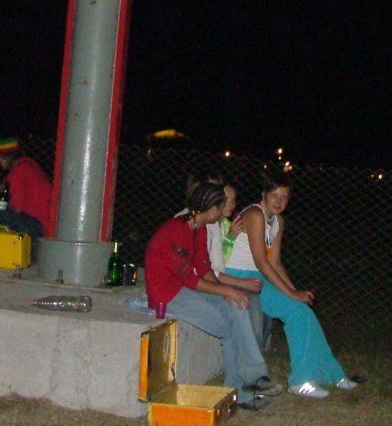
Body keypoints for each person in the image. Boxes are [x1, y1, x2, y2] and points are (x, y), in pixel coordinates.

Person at [145, 182, 282, 410]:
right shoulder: (176, 230)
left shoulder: (200, 229)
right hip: (168, 293)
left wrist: (228, 291)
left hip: (188, 288)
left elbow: (204, 268)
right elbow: (189, 278)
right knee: (228, 325)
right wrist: (225, 290)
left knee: (238, 306)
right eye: (221, 206)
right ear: (211, 208)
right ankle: (240, 391)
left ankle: (254, 378)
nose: (225, 211)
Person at [224, 172, 357, 398]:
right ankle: (300, 382)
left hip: (259, 277)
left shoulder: (278, 221)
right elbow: (261, 262)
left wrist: (295, 292)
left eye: (284, 197)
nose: (279, 201)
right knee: (296, 311)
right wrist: (291, 294)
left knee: (303, 311)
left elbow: (275, 262)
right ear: (264, 195)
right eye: (274, 195)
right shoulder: (254, 214)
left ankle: (333, 374)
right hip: (240, 277)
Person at [0, 137, 52, 255]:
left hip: (39, 227)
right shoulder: (29, 165)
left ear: (10, 156)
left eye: (1, 157)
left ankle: (8, 252)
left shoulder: (17, 172)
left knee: (0, 213)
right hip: (47, 224)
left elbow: (16, 209)